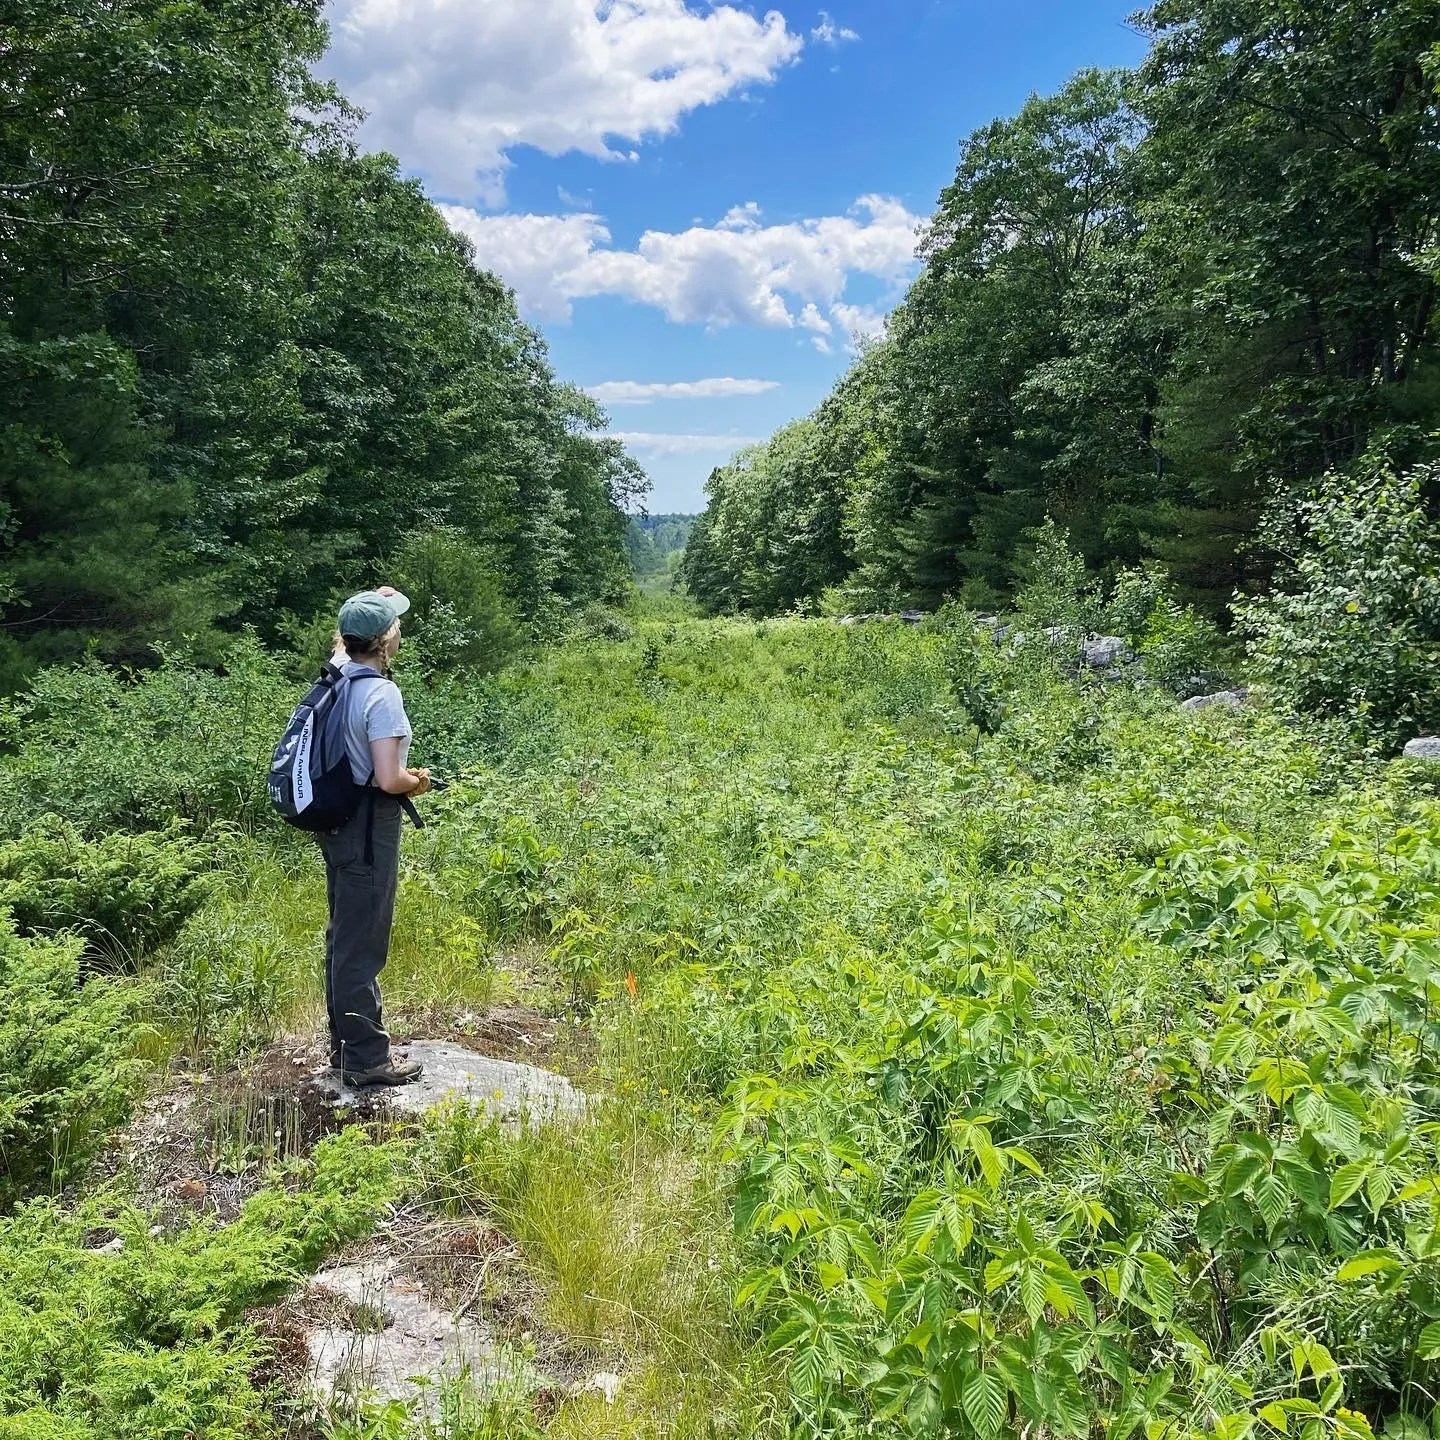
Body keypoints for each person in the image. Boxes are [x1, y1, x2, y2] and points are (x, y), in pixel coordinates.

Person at [320, 589, 431, 1087]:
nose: (400, 632)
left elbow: (344, 640)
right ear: (386, 642)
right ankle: (365, 1059)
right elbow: (389, 779)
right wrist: (419, 781)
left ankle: (347, 1047)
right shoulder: (381, 693)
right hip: (369, 822)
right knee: (361, 941)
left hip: (338, 819)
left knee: (345, 932)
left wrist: (366, 599)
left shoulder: (337, 675)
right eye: (395, 627)